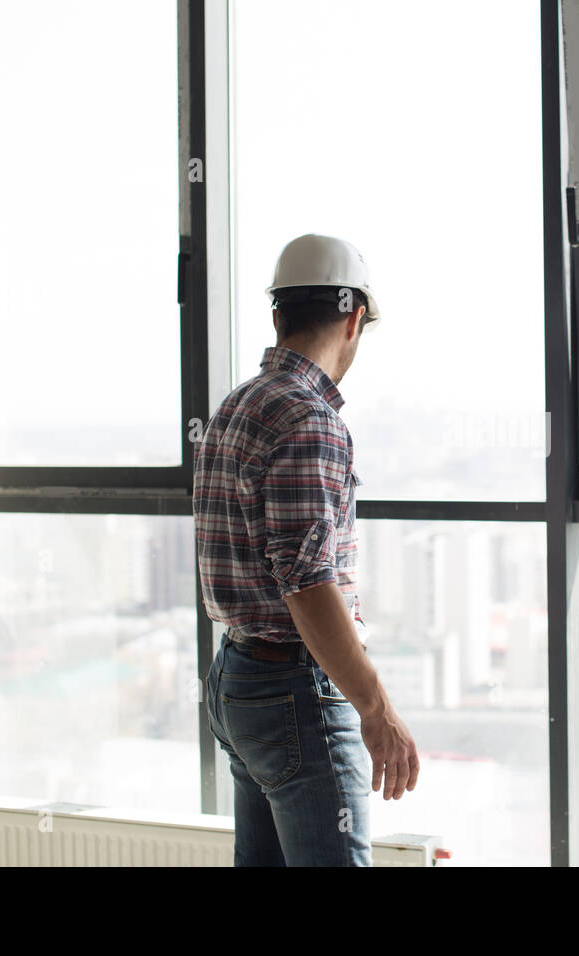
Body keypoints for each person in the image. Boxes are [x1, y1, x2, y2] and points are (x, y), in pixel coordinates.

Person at [192, 233, 419, 866]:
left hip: (236, 677)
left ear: (276, 315)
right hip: (293, 688)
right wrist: (377, 710)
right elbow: (309, 583)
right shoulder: (309, 419)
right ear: (354, 320)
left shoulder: (237, 407)